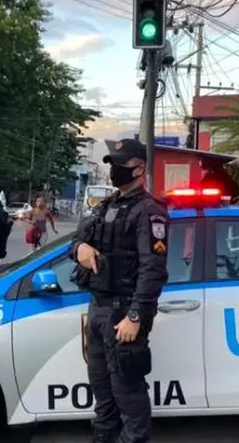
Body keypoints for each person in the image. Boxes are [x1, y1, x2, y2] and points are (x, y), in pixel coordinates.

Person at [69, 138, 169, 443]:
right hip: (98, 307)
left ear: (139, 169)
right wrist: (80, 250)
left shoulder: (149, 211)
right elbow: (74, 242)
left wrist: (135, 316)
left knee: (128, 392)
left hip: (125, 312)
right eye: (112, 164)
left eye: (121, 164)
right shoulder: (107, 206)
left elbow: (153, 269)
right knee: (102, 391)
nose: (115, 170)